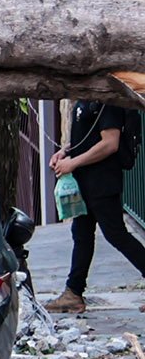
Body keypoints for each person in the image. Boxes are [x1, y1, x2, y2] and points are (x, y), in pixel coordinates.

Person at [48, 97, 145, 313]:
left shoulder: (107, 99)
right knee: (81, 235)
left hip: (102, 181)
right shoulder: (86, 97)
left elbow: (110, 143)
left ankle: (73, 292)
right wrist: (65, 151)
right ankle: (73, 293)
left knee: (116, 234)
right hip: (85, 181)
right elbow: (88, 136)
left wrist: (72, 162)